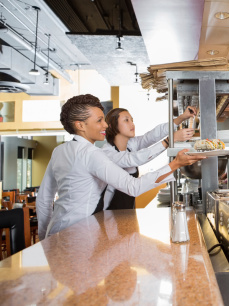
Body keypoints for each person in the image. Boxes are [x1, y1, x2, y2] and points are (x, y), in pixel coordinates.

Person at [36, 94, 205, 240]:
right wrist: (175, 163)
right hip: (80, 236)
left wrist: (45, 239)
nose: (105, 125)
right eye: (99, 120)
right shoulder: (94, 154)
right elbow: (133, 187)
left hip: (57, 232)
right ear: (80, 125)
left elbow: (44, 199)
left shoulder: (59, 151)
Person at [101, 106, 196, 210]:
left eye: (132, 120)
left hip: (127, 210)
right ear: (111, 126)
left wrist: (181, 118)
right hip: (108, 212)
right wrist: (169, 140)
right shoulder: (107, 153)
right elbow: (134, 159)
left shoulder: (131, 144)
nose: (132, 124)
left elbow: (153, 135)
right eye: (126, 120)